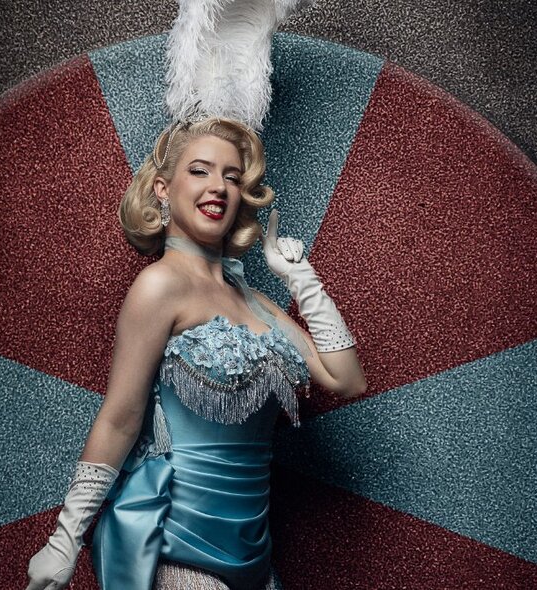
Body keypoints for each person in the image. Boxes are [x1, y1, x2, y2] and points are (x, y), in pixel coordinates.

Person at [25, 117, 366, 590]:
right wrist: (65, 540)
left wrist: (301, 280)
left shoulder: (253, 302)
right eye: (201, 171)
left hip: (252, 553)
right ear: (163, 189)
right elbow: (120, 418)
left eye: (231, 176)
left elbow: (347, 380)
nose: (219, 187)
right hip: (177, 543)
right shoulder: (158, 285)